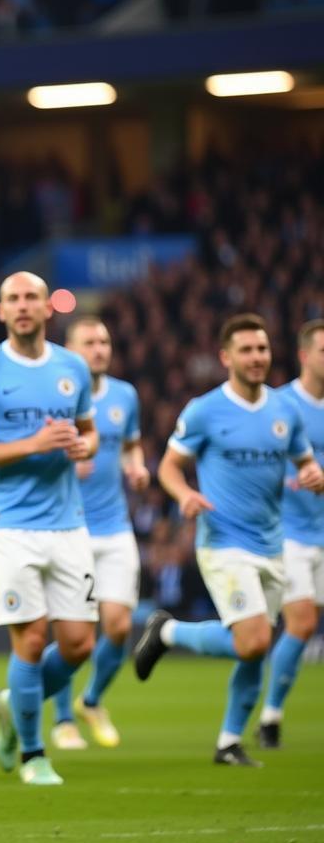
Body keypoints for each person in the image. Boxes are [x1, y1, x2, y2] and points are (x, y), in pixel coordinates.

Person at [135, 313, 324, 766]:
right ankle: (168, 630)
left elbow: (302, 461)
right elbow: (167, 466)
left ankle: (228, 741)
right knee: (255, 639)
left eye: (262, 349)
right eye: (246, 350)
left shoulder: (285, 412)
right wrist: (183, 494)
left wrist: (311, 473)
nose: (257, 358)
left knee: (254, 646)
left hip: (271, 544)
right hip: (223, 541)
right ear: (226, 357)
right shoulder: (205, 409)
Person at [0, 271, 98, 787]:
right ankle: (34, 752)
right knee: (32, 638)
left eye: (31, 297)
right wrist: (32, 445)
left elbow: (88, 432)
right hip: (9, 525)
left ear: (47, 307)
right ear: (0, 311)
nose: (21, 306)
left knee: (80, 644)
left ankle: (17, 700)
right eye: (12, 299)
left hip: (67, 522)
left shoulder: (73, 368)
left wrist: (85, 448)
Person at [49, 317, 149, 750]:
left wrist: (136, 466)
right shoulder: (55, 391)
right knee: (72, 632)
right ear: (70, 349)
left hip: (115, 525)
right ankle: (62, 718)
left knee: (119, 626)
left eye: (104, 341)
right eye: (89, 342)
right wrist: (69, 459)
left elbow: (129, 443)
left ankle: (91, 700)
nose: (99, 348)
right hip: (67, 525)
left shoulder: (125, 396)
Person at [258, 319, 324, 746]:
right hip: (287, 532)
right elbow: (254, 463)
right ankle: (270, 716)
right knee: (300, 622)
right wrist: (286, 480)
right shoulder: (280, 405)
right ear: (304, 355)